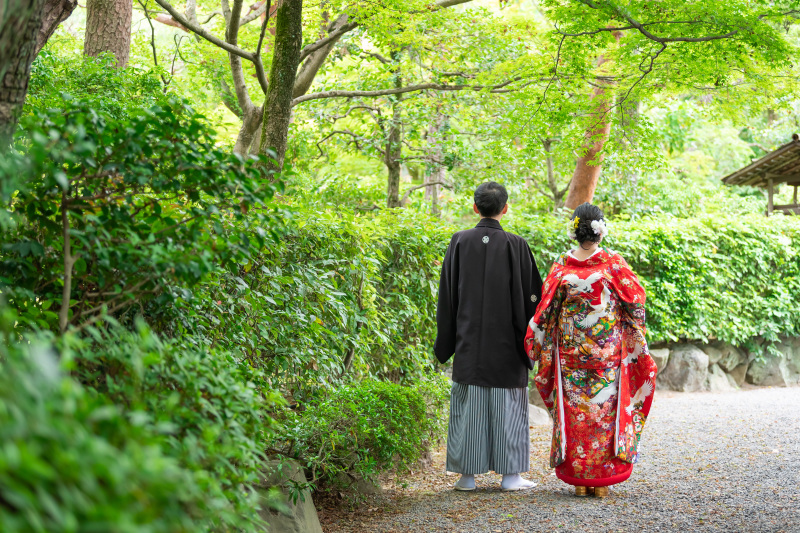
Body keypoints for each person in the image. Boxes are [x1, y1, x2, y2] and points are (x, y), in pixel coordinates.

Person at [525, 202, 657, 498]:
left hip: (570, 353)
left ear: (574, 231)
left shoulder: (562, 266)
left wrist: (537, 343)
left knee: (576, 412)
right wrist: (631, 331)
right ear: (601, 231)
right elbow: (636, 303)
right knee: (603, 412)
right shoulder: (614, 264)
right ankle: (602, 480)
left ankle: (579, 478)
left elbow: (545, 311)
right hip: (606, 353)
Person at [435, 181, 543, 492]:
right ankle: (510, 477)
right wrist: (530, 338)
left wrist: (449, 337)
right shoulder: (516, 245)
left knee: (469, 406)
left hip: (468, 341)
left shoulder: (459, 241)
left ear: (475, 207)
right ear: (505, 209)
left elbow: (447, 295)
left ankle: (466, 477)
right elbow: (533, 297)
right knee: (508, 407)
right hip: (508, 344)